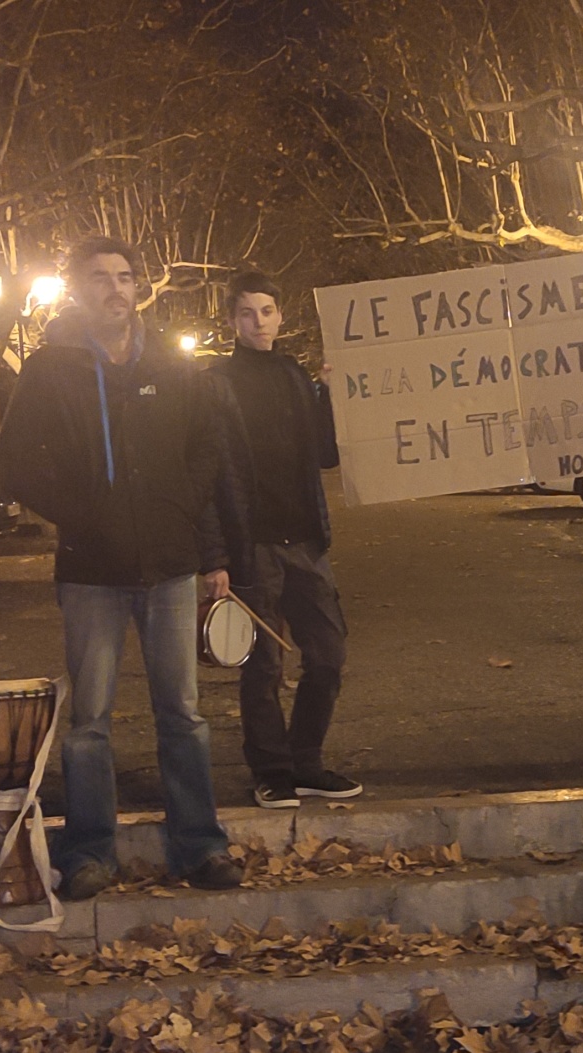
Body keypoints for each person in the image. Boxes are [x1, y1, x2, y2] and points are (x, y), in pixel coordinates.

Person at [0, 235, 243, 897]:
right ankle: (89, 851)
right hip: (91, 569)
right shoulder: (50, 369)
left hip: (168, 567)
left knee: (182, 712)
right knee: (90, 720)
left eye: (125, 276)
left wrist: (185, 517)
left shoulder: (172, 363)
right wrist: (80, 511)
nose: (114, 288)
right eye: (99, 277)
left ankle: (200, 843)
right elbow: (13, 461)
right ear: (78, 289)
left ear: (139, 288)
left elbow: (207, 451)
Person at [211, 271, 363, 810]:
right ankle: (272, 769)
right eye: (247, 313)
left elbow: (325, 453)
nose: (259, 322)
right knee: (263, 664)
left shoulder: (296, 376)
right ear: (231, 320)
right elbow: (206, 471)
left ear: (280, 316)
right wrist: (216, 555)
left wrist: (328, 395)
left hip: (304, 541)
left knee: (328, 652)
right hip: (251, 544)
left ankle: (306, 762)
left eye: (267, 311)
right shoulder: (215, 382)